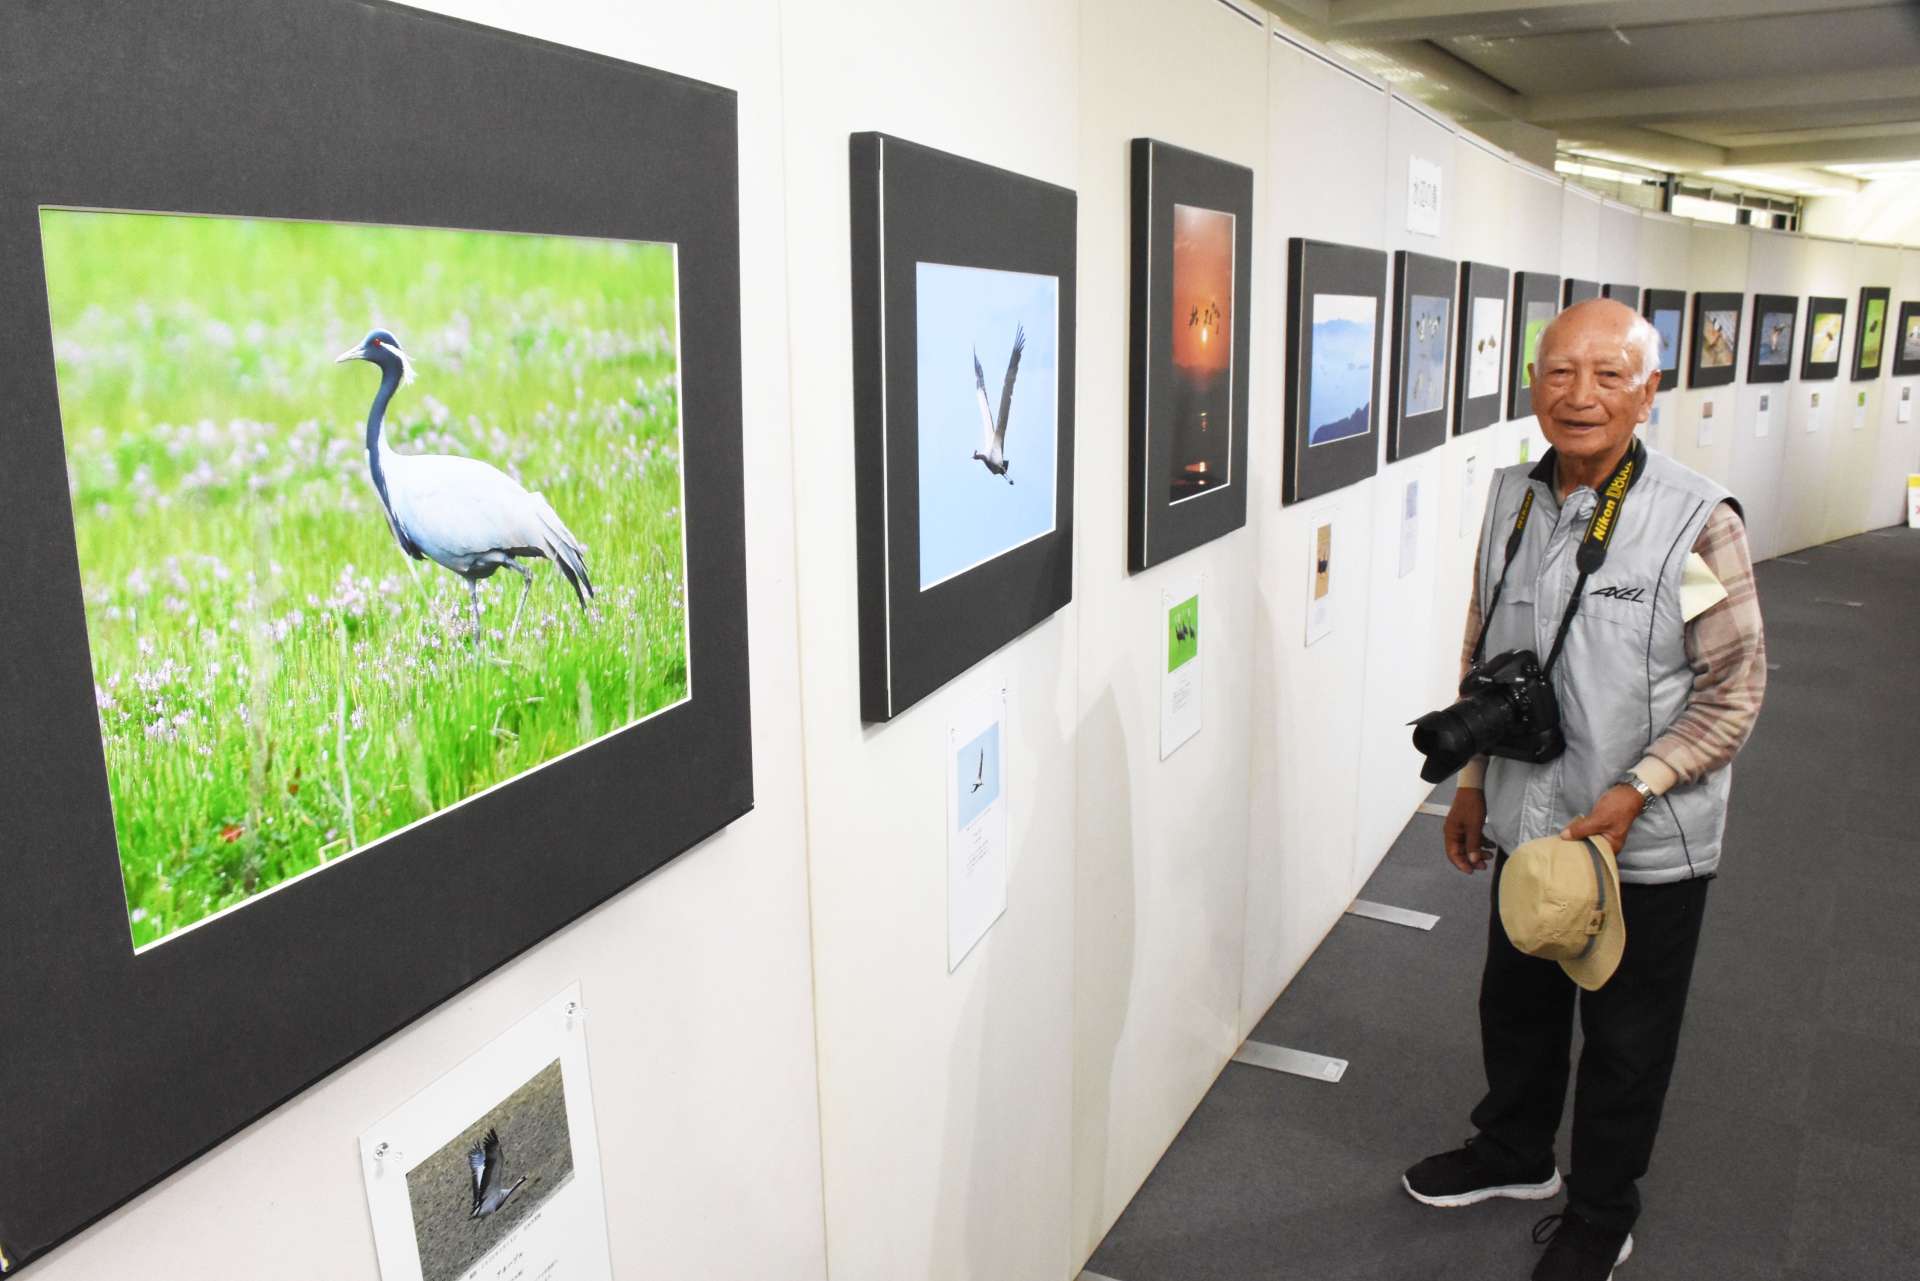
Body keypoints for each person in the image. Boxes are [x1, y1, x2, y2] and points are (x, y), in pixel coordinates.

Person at [1402, 299, 1767, 1280]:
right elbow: (1487, 649)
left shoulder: (1697, 523)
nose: (1581, 395)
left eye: (1610, 375)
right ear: (1533, 387)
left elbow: (1736, 691)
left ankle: (1603, 1209)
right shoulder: (1513, 497)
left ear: (1650, 390)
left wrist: (1639, 788)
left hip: (1641, 840)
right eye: (1561, 372)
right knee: (1514, 1002)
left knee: (1624, 1037)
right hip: (1530, 820)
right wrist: (1473, 779)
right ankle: (1515, 1153)